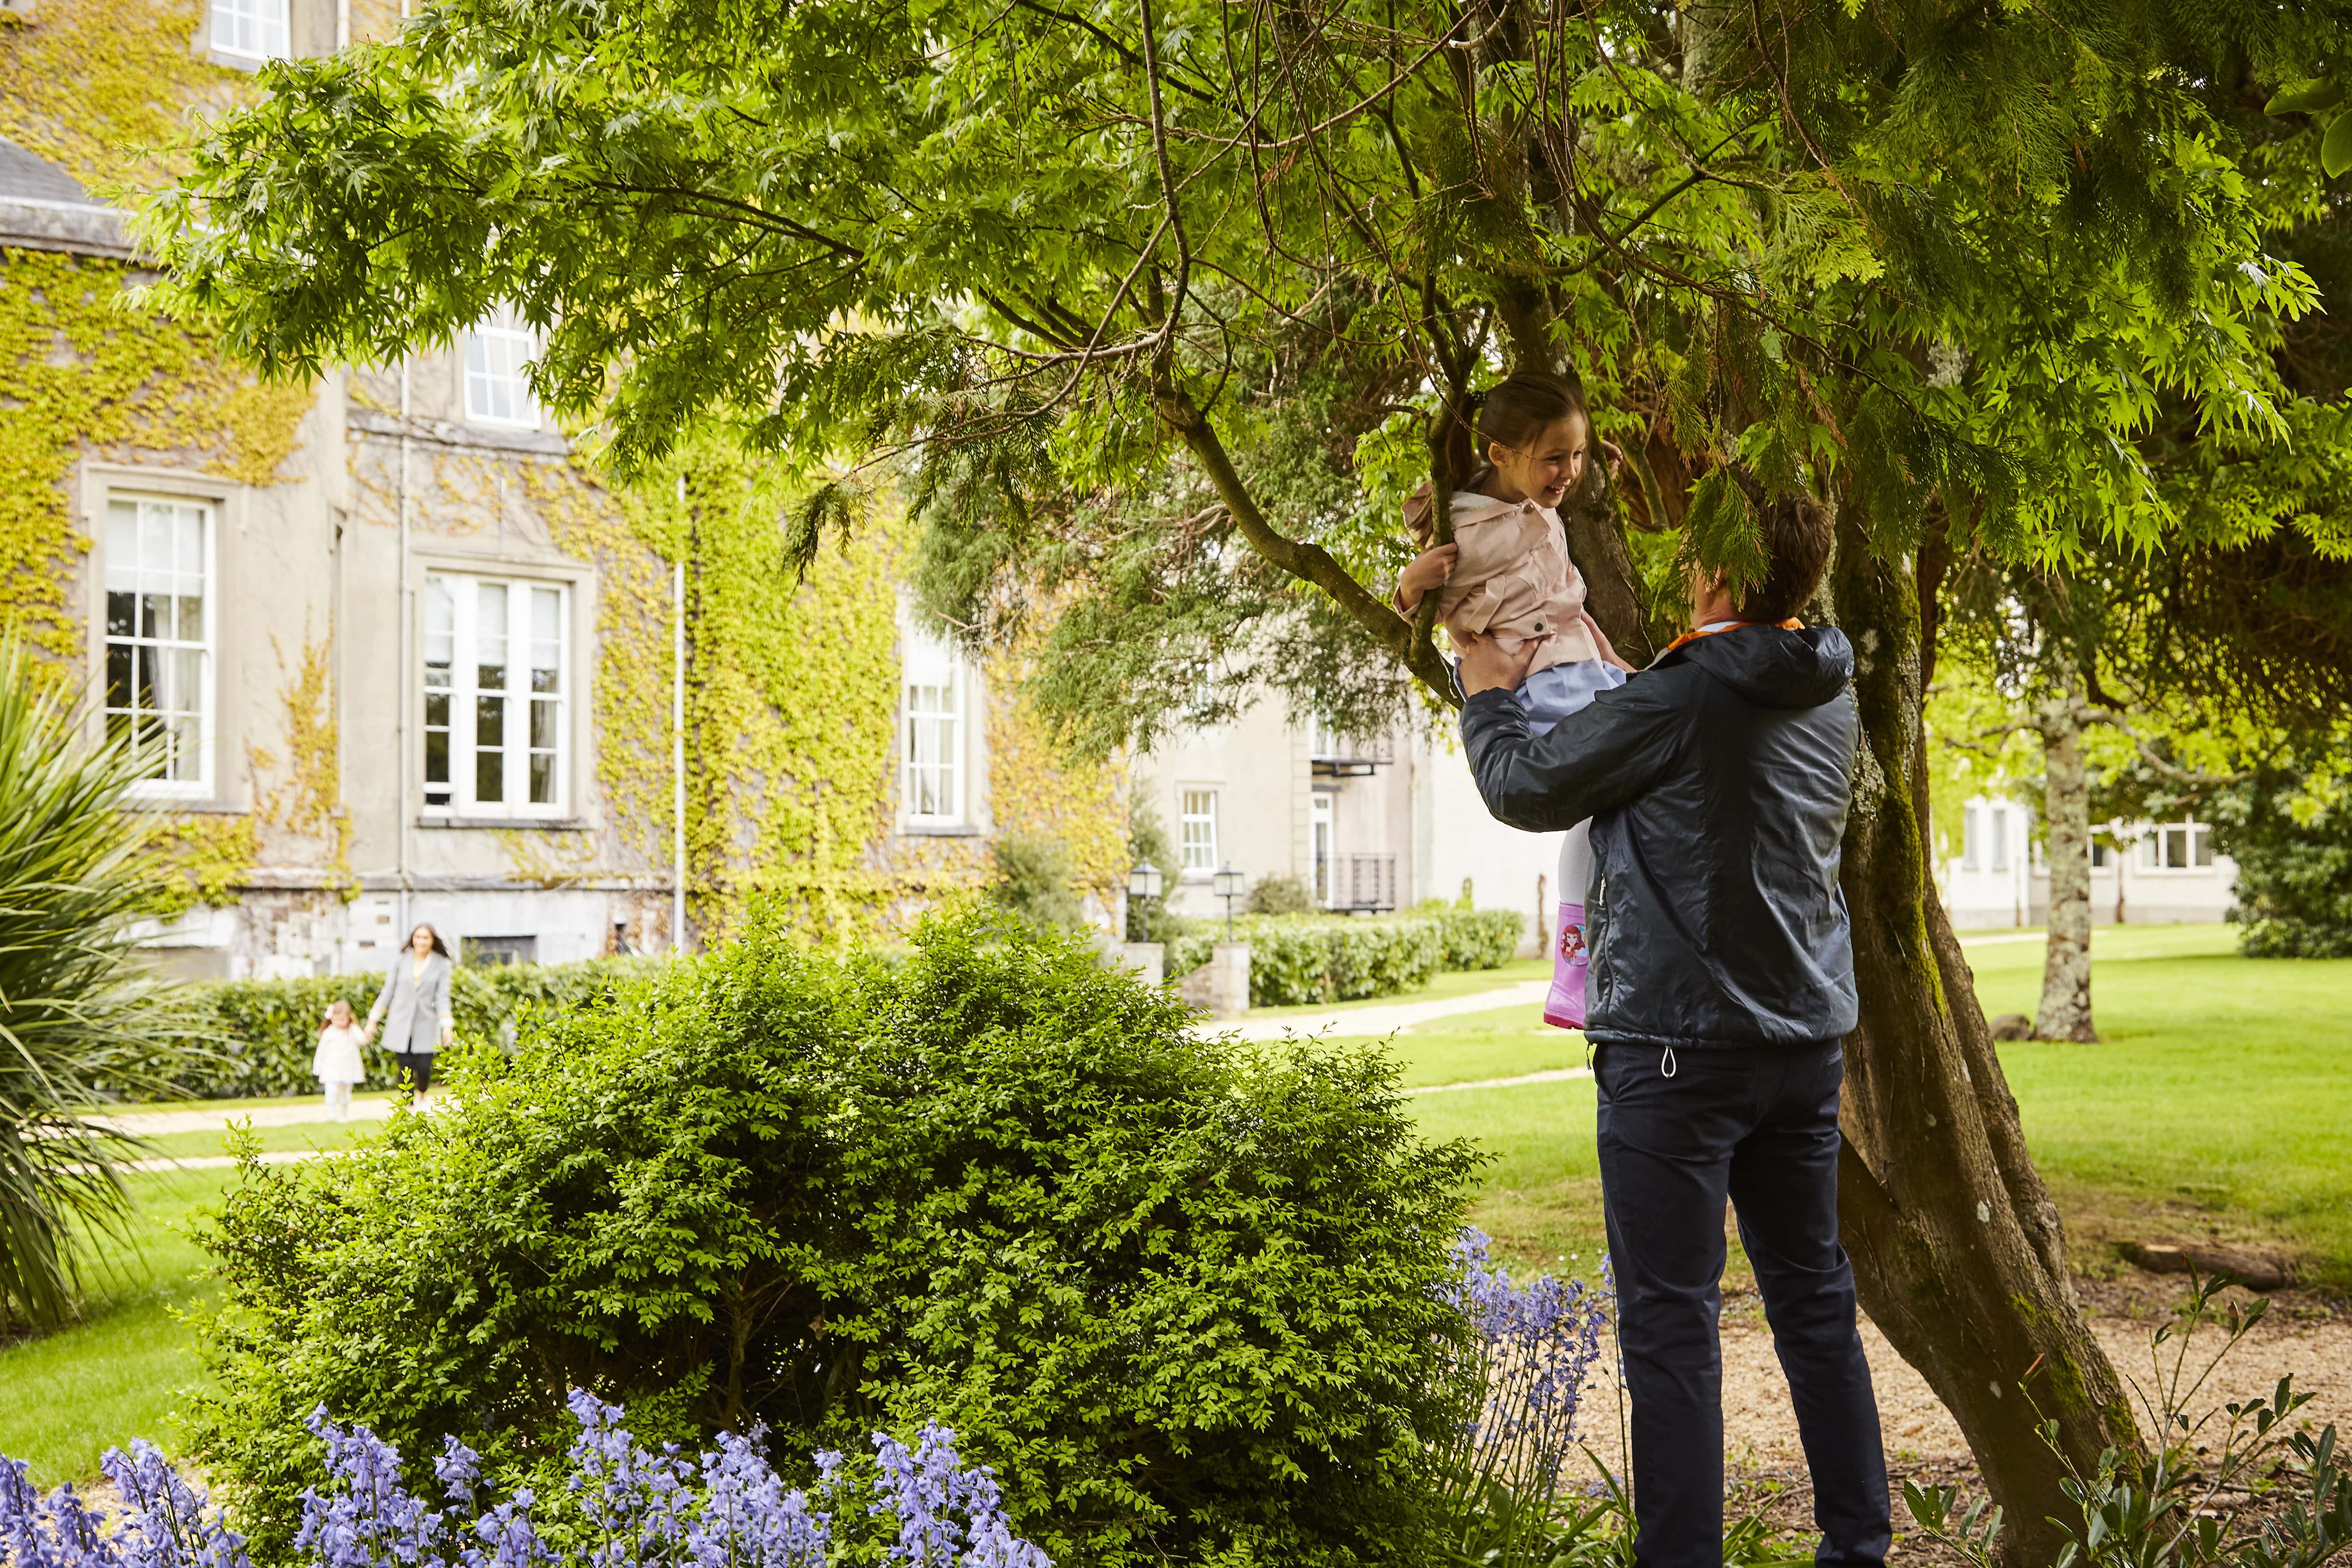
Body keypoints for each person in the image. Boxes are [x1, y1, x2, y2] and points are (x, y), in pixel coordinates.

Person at [1455, 490, 1888, 1568]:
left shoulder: (1683, 694)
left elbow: (1522, 786)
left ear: (1718, 573)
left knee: (1668, 1329)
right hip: (1799, 1049)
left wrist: (1480, 692)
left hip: (1673, 1056)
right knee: (1812, 1307)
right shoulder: (1824, 684)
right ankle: (1858, 1547)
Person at [1391, 371, 1635, 1029]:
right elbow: (1421, 612)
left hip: (1583, 665)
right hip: (1547, 681)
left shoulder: (1540, 505)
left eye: (1577, 454)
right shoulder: (1466, 535)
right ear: (1500, 455)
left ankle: (1589, 957)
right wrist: (1412, 581)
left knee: (1622, 806)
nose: (1568, 471)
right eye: (1554, 457)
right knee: (1608, 799)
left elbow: (1564, 597)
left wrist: (1615, 663)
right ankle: (1574, 965)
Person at [364, 922, 454, 1096]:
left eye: (425, 938)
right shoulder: (401, 959)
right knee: (405, 1067)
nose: (421, 941)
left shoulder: (442, 964)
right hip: (400, 1021)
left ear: (432, 940)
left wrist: (447, 1026)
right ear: (413, 939)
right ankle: (409, 1104)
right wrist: (372, 1021)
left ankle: (422, 1092)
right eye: (417, 937)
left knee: (423, 1067)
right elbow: (388, 991)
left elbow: (442, 997)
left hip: (427, 1022)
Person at [312, 998, 368, 1122]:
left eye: (343, 1019)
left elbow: (363, 1040)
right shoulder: (329, 1033)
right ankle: (331, 1114)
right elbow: (321, 1051)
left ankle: (344, 1114)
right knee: (331, 1090)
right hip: (331, 1067)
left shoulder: (352, 1030)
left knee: (345, 1092)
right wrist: (318, 1066)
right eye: (337, 1019)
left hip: (348, 1067)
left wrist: (364, 1029)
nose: (340, 1023)